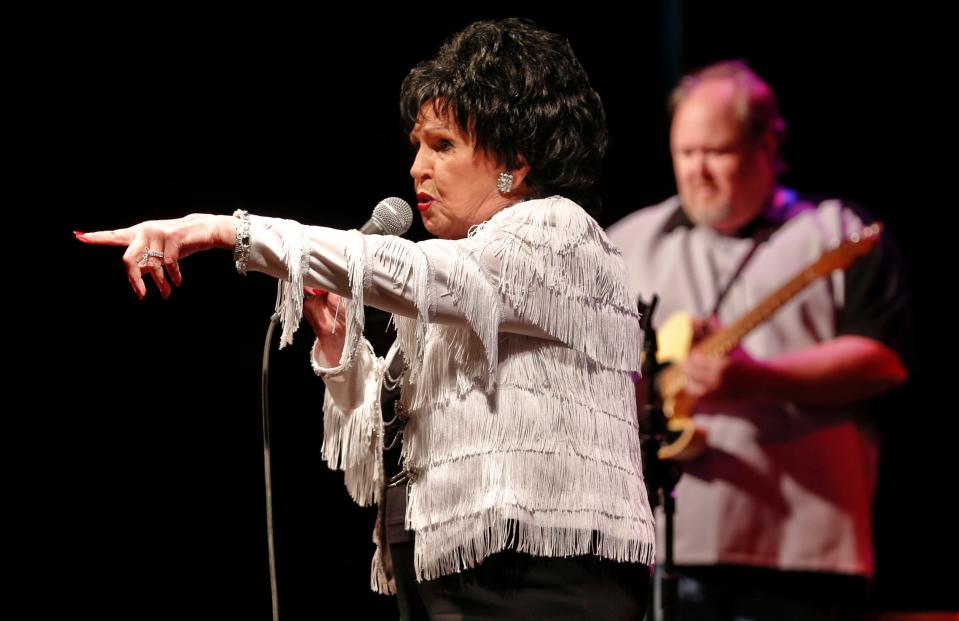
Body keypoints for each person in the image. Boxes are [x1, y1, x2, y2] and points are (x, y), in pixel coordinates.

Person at [78, 18, 655, 619]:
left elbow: (413, 273)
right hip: (444, 568)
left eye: (442, 145)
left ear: (514, 158)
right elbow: (389, 440)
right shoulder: (472, 267)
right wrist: (337, 345)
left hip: (538, 577)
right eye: (417, 147)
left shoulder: (555, 233)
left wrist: (222, 229)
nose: (417, 169)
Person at [606, 60, 912, 619]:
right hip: (664, 547)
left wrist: (757, 379)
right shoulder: (623, 242)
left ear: (768, 147)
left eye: (716, 153)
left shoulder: (836, 232)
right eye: (685, 153)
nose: (698, 171)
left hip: (803, 552)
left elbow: (881, 361)